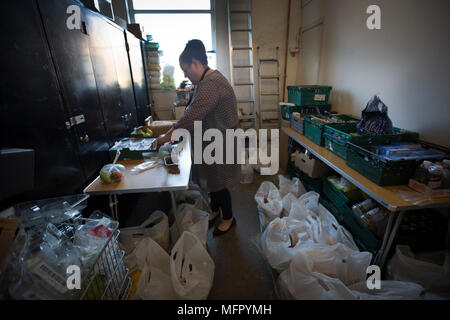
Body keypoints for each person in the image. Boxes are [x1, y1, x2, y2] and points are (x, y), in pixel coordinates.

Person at [152, 39, 241, 235]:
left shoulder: (211, 84)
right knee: (212, 180)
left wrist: (168, 136)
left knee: (219, 182)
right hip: (213, 140)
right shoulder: (205, 81)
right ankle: (215, 211)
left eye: (186, 69)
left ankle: (228, 218)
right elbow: (193, 112)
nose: (185, 74)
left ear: (195, 63)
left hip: (221, 142)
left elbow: (191, 116)